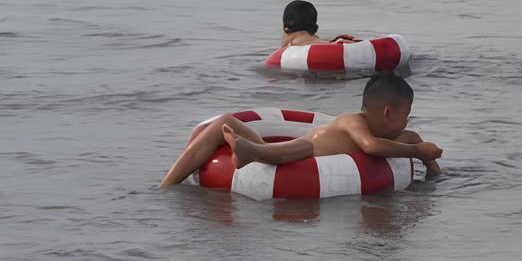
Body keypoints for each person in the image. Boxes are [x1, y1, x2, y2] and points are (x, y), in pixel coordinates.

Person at [158, 73, 442, 188]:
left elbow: (434, 173)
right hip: (302, 151)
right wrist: (416, 151)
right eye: (406, 116)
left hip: (295, 154)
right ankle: (168, 184)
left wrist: (428, 163)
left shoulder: (406, 137)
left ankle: (251, 151)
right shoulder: (354, 121)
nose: (408, 123)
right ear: (388, 113)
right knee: (225, 121)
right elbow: (370, 147)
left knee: (281, 149)